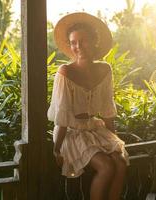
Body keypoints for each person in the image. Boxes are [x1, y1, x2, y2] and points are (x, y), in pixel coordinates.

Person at [47, 12, 129, 200]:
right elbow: (62, 116)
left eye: (83, 41)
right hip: (72, 134)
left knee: (121, 163)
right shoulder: (65, 72)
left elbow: (108, 110)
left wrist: (113, 140)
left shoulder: (104, 69)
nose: (78, 47)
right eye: (73, 42)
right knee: (107, 167)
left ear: (94, 42)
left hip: (95, 129)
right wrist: (56, 149)